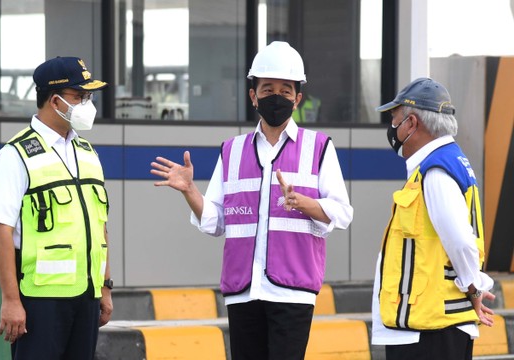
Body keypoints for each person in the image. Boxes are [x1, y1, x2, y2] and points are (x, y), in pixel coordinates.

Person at [150, 41, 353, 360]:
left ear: (297, 98)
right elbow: (215, 221)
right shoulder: (232, 150)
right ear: (253, 96)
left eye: (286, 91)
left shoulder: (319, 148)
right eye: (268, 88)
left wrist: (303, 202)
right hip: (243, 292)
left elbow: (341, 213)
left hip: (293, 291)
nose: (277, 97)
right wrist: (191, 191)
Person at [0, 56, 113, 360]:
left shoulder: (87, 152)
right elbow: (1, 230)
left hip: (87, 298)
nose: (87, 104)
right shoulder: (15, 156)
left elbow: (100, 224)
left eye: (89, 97)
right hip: (40, 301)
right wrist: (10, 300)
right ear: (55, 101)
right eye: (80, 97)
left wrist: (106, 287)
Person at [371, 77, 495, 360]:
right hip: (430, 325)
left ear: (412, 123)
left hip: (430, 331)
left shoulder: (435, 171)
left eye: (395, 119)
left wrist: (473, 287)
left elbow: (461, 242)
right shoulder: (445, 162)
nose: (392, 127)